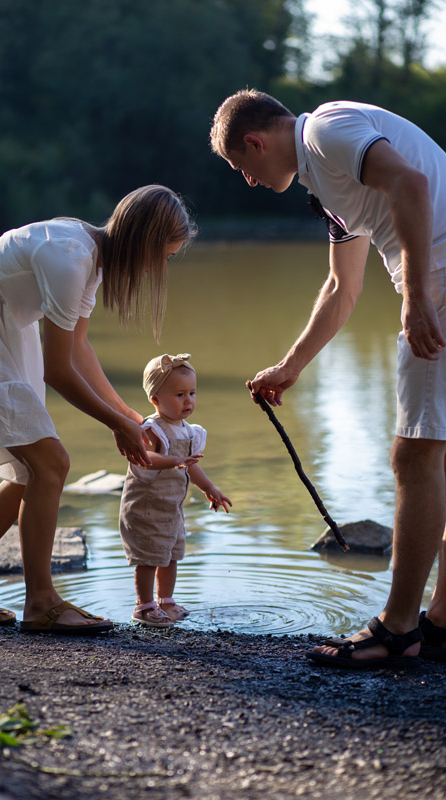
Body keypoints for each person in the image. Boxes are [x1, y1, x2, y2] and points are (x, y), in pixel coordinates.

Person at [210, 88, 446, 669]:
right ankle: (439, 623)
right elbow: (343, 287)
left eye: (243, 167)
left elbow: (412, 184)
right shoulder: (328, 182)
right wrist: (290, 366)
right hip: (434, 282)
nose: (249, 181)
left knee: (414, 459)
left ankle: (396, 629)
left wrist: (416, 298)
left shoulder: (326, 131)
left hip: (441, 281)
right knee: (437, 458)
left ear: (255, 142)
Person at [0, 184, 195, 635]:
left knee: (32, 469)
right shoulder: (71, 259)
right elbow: (57, 370)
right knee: (51, 463)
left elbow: (79, 349)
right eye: (163, 255)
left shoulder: (92, 258)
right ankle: (41, 602)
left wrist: (131, 416)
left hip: (5, 322)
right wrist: (116, 424)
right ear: (142, 240)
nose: (160, 266)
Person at [119, 353, 232, 627]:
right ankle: (143, 606)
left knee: (170, 555)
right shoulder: (152, 430)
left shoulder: (189, 432)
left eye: (192, 393)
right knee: (148, 556)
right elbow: (146, 458)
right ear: (155, 399)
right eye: (179, 394)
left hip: (171, 508)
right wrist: (175, 461)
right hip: (146, 506)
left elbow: (191, 467)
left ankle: (165, 600)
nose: (188, 400)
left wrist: (210, 488)